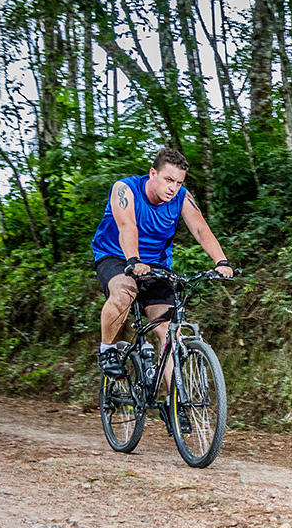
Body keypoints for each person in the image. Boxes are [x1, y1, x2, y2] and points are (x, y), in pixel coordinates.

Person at [91, 147, 233, 380]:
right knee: (123, 293)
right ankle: (106, 350)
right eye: (168, 180)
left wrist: (221, 261)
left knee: (169, 333)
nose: (173, 188)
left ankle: (175, 408)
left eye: (178, 182)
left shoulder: (181, 197)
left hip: (155, 265)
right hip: (115, 255)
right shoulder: (125, 189)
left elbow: (200, 228)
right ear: (152, 173)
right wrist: (133, 260)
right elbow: (127, 226)